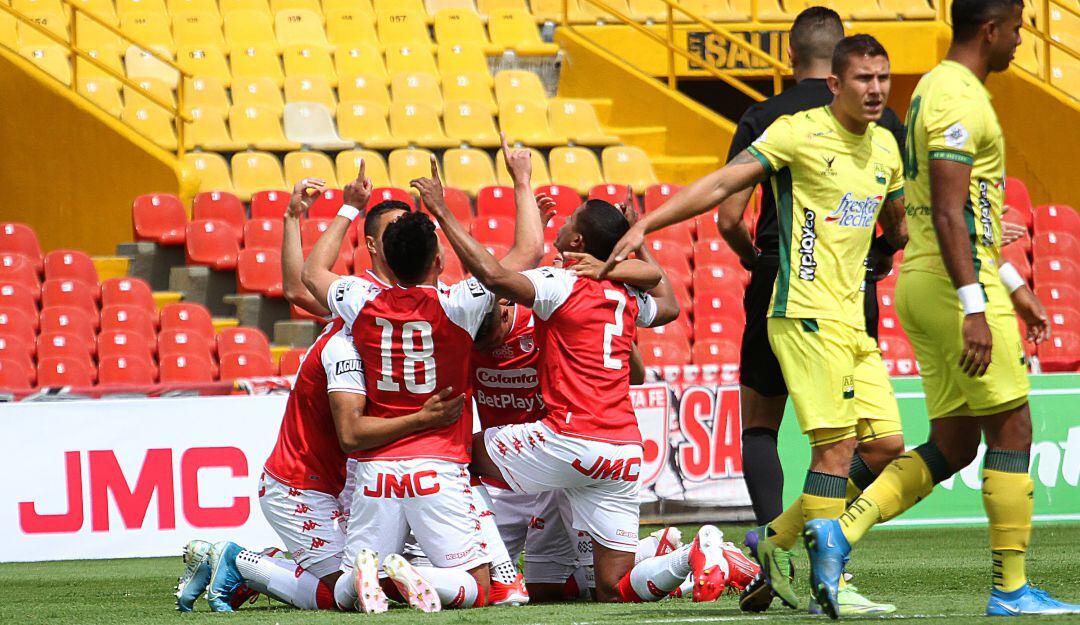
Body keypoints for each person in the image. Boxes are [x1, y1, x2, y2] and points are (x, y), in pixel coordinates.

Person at [603, 34, 910, 613]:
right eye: (864, 80)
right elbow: (723, 188)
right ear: (835, 85)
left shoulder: (888, 147)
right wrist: (649, 227)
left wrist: (901, 239)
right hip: (803, 311)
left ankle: (777, 540)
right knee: (836, 449)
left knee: (889, 445)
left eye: (883, 79)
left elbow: (895, 220)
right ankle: (831, 584)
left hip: (853, 318)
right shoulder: (797, 132)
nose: (875, 91)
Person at [803, 1, 1080, 618]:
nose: (1020, 41)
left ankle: (837, 533)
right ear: (991, 28)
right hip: (955, 287)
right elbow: (952, 211)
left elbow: (964, 212)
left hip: (931, 281)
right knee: (1014, 430)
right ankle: (1011, 590)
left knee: (953, 443)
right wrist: (978, 304)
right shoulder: (958, 97)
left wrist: (1013, 280)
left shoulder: (936, 86)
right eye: (1016, 29)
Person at [411, 156, 742, 607]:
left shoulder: (560, 281)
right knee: (613, 589)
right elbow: (668, 305)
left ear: (578, 240)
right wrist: (636, 240)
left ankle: (505, 576)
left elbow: (492, 276)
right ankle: (694, 555)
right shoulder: (625, 294)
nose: (561, 227)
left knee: (448, 454)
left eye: (567, 223)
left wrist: (442, 211)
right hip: (624, 449)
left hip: (569, 437)